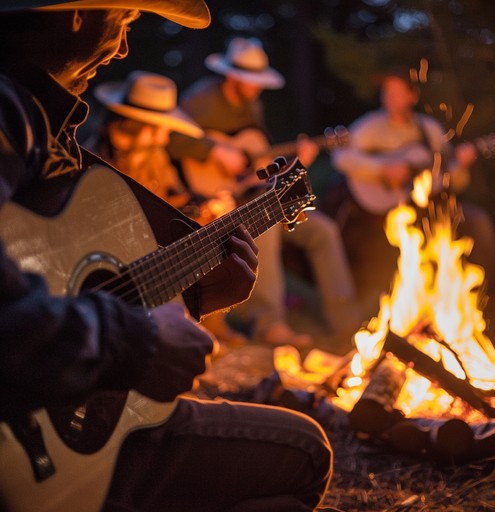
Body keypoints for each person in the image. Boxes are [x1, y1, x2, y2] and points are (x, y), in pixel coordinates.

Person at [0, 3, 335, 512]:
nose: (125, 47)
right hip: (27, 442)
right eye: (126, 22)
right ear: (78, 15)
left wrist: (195, 292)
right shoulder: (9, 111)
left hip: (63, 423)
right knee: (305, 454)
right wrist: (138, 339)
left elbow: (60, 277)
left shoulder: (43, 121)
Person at [168, 36, 360, 350]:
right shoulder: (202, 100)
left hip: (245, 195)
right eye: (250, 81)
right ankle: (268, 325)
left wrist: (294, 161)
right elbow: (170, 136)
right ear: (232, 76)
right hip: (207, 203)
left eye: (259, 81)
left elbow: (254, 162)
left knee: (322, 229)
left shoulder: (252, 106)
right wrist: (213, 150)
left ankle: (348, 324)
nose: (256, 88)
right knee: (266, 225)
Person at [328, 68, 495, 335]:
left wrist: (461, 165)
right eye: (386, 92)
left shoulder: (429, 130)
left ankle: (484, 304)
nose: (390, 98)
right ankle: (392, 313)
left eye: (397, 92)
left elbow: (451, 181)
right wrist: (382, 169)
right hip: (383, 210)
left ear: (412, 96)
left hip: (426, 207)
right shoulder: (371, 125)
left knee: (477, 220)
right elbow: (341, 157)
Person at [89, 69, 248, 347]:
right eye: (160, 128)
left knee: (215, 226)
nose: (165, 138)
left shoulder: (154, 156)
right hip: (114, 268)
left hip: (152, 248)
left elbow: (175, 197)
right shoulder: (95, 161)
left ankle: (208, 325)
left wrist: (204, 204)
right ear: (138, 127)